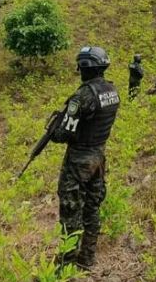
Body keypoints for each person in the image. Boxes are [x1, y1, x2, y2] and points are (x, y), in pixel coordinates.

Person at [50, 46, 120, 270]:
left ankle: (66, 265)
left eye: (80, 66)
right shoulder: (112, 91)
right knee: (92, 207)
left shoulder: (83, 96)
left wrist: (55, 131)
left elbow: (65, 133)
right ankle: (87, 257)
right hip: (99, 156)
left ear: (86, 67)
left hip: (79, 160)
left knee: (71, 211)